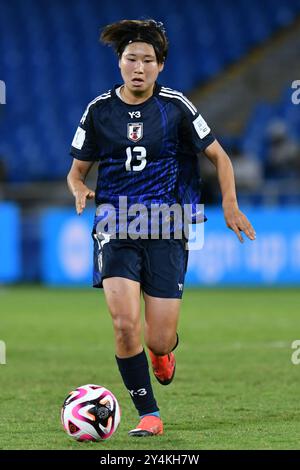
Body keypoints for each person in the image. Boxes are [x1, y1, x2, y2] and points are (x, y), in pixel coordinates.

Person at [67, 19, 256, 437]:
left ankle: (162, 352)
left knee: (158, 336)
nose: (139, 67)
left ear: (160, 65)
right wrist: (80, 188)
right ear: (119, 63)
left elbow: (220, 158)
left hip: (167, 226)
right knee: (123, 324)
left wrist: (230, 205)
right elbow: (76, 171)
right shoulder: (98, 111)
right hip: (115, 223)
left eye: (147, 60)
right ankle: (148, 413)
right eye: (131, 58)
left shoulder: (176, 107)